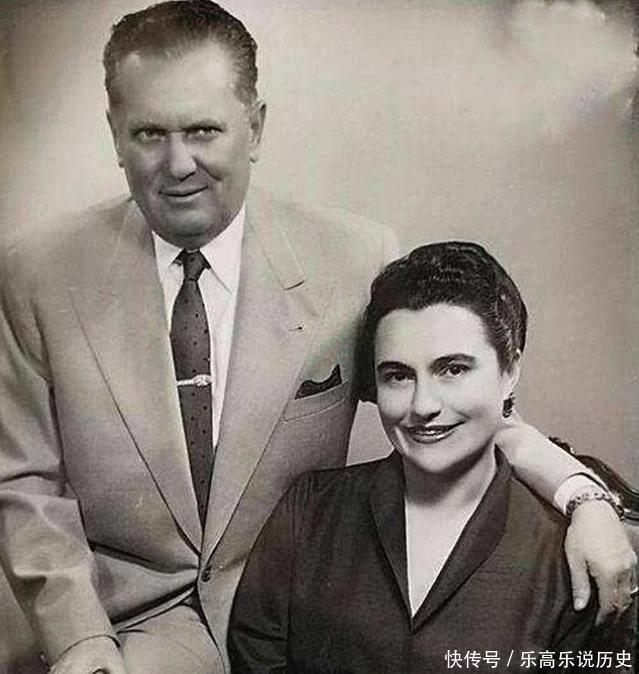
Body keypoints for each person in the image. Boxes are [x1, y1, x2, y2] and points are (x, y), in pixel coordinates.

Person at [0, 2, 634, 674]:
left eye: (204, 130)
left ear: (255, 127)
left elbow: (450, 408)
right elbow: (24, 480)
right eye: (149, 134)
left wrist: (584, 497)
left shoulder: (353, 258)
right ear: (114, 133)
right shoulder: (36, 274)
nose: (178, 163)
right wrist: (80, 640)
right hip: (128, 630)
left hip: (305, 618)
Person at [228, 242, 630, 673]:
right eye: (398, 376)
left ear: (510, 371)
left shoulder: (568, 553)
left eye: (453, 369)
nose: (423, 405)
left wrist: (590, 503)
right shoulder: (311, 510)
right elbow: (256, 653)